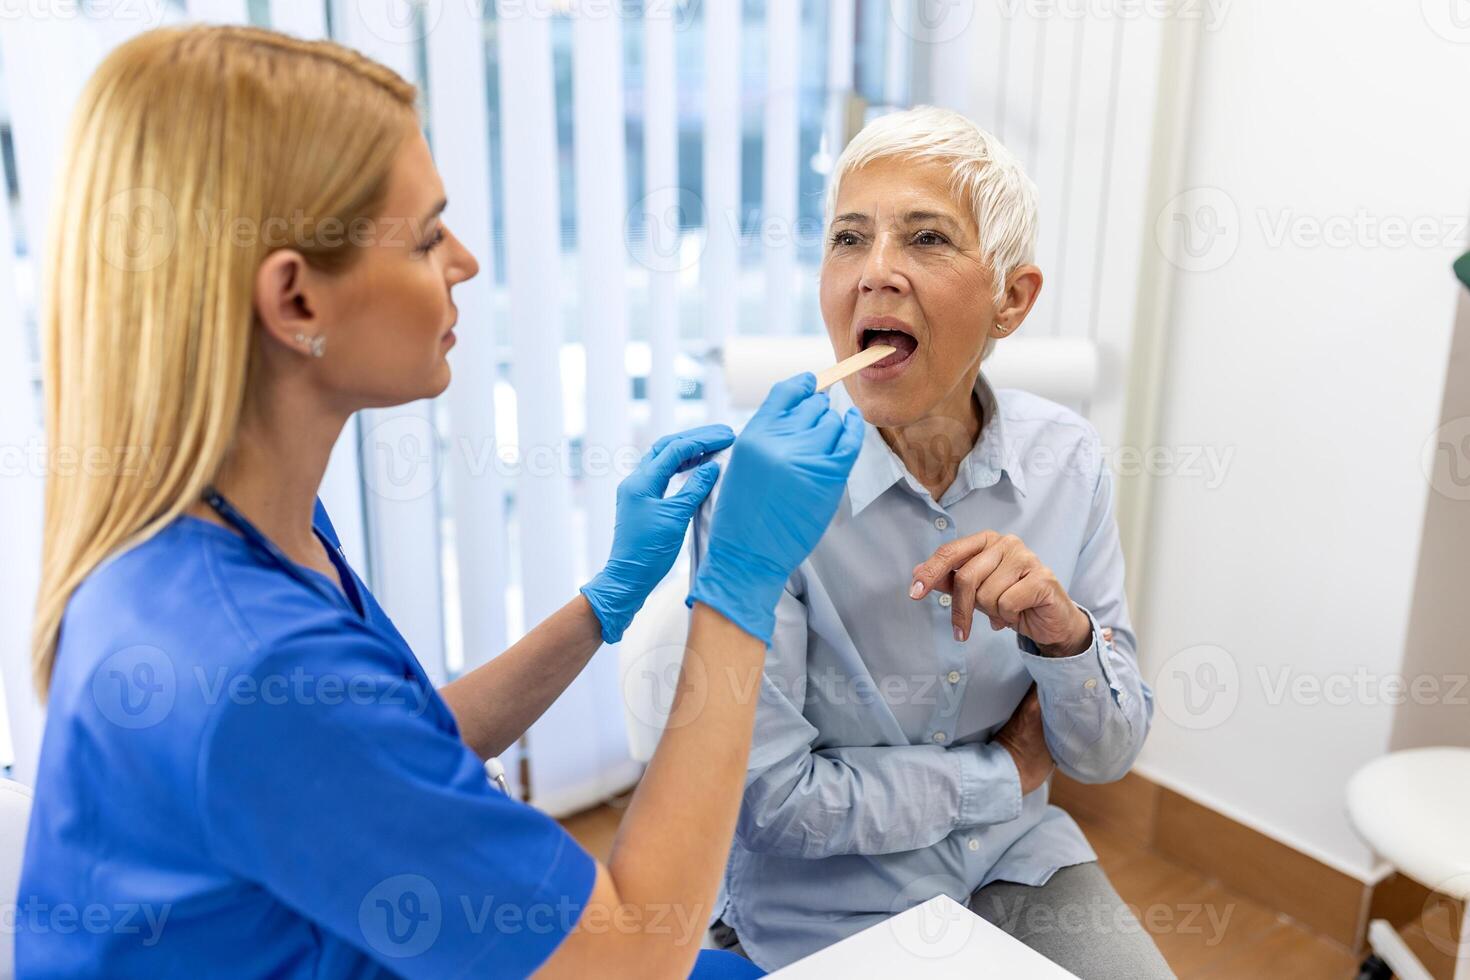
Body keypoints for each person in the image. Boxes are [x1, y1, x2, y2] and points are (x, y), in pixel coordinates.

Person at [18, 26, 863, 979]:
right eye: (425, 236)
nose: (463, 260)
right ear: (295, 302)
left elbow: (397, 752)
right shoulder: (254, 661)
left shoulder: (235, 527)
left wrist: (605, 602)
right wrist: (741, 580)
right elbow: (630, 962)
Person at [693, 106, 1173, 978]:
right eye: (848, 238)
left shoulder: (1068, 461)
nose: (876, 273)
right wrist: (1004, 776)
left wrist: (1064, 636)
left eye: (925, 239)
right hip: (825, 904)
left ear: (1012, 300)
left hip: (1011, 860)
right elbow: (768, 803)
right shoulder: (763, 494)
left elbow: (1106, 754)